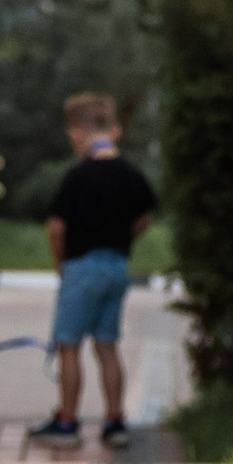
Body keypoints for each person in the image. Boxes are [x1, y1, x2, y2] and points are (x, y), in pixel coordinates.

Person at [30, 94, 158, 444]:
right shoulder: (131, 175)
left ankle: (68, 422)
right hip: (117, 265)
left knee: (68, 344)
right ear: (112, 130)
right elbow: (144, 217)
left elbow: (56, 228)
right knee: (107, 345)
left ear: (77, 132)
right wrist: (120, 235)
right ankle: (115, 420)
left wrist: (62, 264)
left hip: (82, 265)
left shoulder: (79, 176)